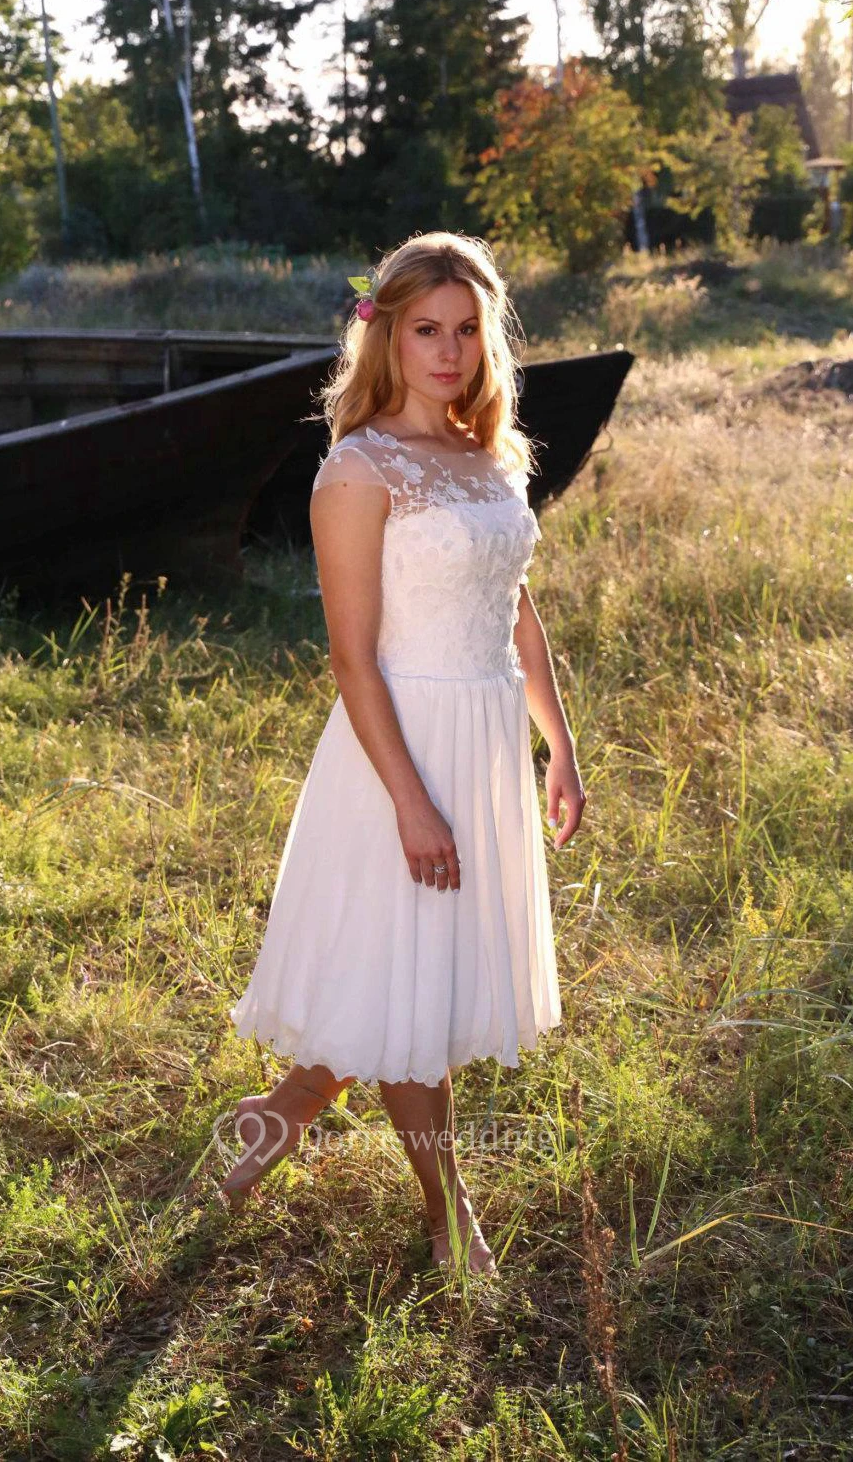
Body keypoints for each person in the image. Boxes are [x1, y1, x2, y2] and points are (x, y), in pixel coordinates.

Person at [219, 231, 586, 1276]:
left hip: (483, 740)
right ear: (385, 336)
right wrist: (411, 802)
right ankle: (446, 1212)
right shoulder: (357, 469)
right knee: (408, 989)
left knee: (401, 978)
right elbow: (352, 659)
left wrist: (557, 745)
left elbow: (514, 611)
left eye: (467, 330)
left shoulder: (489, 456)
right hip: (399, 748)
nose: (449, 351)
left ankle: (278, 1117)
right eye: (427, 330)